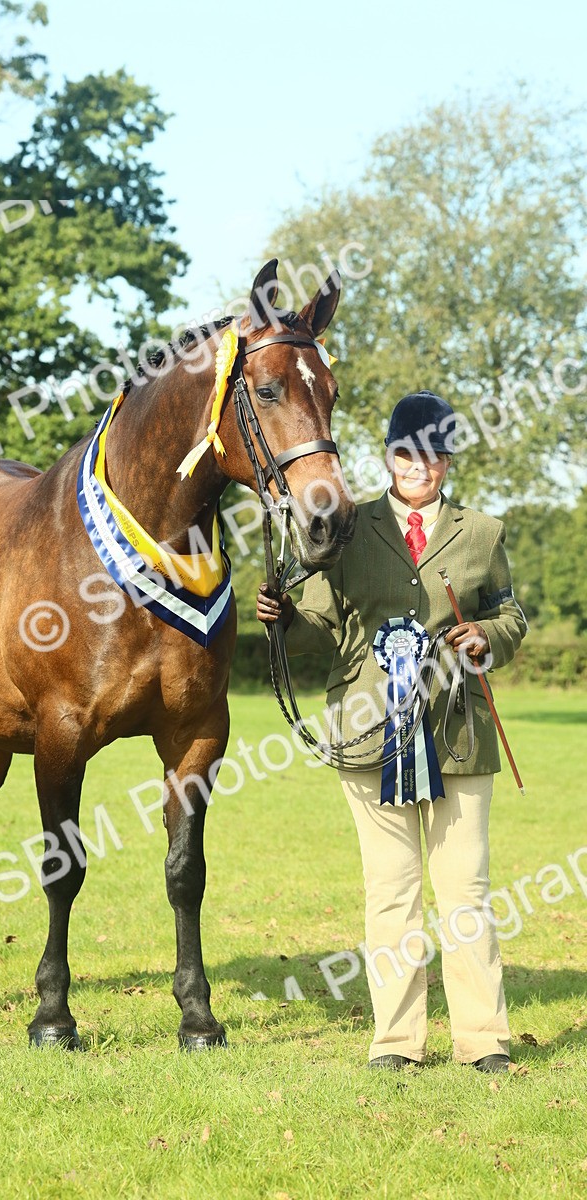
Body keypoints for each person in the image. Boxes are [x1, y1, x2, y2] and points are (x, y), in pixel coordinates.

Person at [257, 391, 527, 1072]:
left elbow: (510, 614)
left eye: (433, 455)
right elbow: (321, 616)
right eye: (407, 452)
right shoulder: (349, 527)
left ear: (447, 462)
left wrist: (485, 635)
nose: (420, 465)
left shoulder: (484, 532)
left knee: (464, 889)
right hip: (369, 735)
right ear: (388, 455)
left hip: (459, 734)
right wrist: (280, 613)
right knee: (392, 893)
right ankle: (398, 1042)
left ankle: (483, 1039)